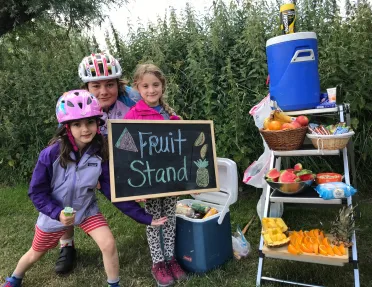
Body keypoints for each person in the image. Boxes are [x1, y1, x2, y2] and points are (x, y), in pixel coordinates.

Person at [2, 90, 123, 287]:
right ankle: (15, 278)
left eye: (90, 122)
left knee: (108, 244)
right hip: (55, 214)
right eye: (77, 124)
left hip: (86, 209)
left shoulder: (100, 151)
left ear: (98, 124)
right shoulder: (50, 155)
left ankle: (114, 284)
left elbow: (109, 184)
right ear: (67, 127)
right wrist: (57, 213)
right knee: (35, 253)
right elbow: (36, 192)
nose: (85, 129)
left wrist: (138, 209)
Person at [55, 52, 143, 274]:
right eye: (96, 85)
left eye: (109, 84)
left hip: (122, 155)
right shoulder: (77, 101)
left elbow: (151, 120)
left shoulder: (132, 98)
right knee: (69, 196)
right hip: (86, 158)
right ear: (86, 87)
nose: (104, 91)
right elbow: (66, 138)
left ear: (118, 84)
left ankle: (159, 227)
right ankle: (66, 244)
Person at [124, 63, 187, 287]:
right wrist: (134, 186)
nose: (151, 90)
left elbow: (182, 150)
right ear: (137, 89)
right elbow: (126, 153)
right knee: (154, 221)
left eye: (156, 85)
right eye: (146, 86)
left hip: (170, 179)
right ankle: (158, 262)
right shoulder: (132, 116)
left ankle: (171, 259)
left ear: (163, 86)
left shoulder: (171, 116)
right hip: (148, 180)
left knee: (170, 218)